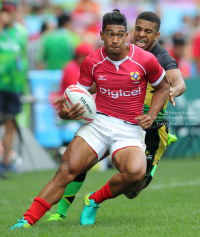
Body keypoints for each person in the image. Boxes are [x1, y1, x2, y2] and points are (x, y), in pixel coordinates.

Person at [10, 9, 169, 229]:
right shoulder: (92, 61)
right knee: (66, 170)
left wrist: (151, 115)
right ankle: (26, 221)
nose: (115, 40)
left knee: (136, 173)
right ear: (102, 34)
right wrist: (65, 112)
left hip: (129, 128)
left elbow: (163, 87)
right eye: (110, 34)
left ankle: (93, 199)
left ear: (126, 35)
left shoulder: (145, 60)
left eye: (120, 34)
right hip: (98, 123)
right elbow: (75, 97)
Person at [45, 11, 186, 222]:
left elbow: (178, 81)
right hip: (113, 121)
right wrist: (78, 94)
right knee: (80, 163)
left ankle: (151, 166)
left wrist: (173, 91)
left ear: (156, 36)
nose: (141, 35)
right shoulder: (120, 51)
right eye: (138, 29)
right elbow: (99, 80)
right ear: (131, 30)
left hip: (150, 128)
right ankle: (61, 212)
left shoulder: (160, 57)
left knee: (133, 189)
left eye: (148, 32)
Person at [0, 1, 28, 177]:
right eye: (4, 11)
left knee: (10, 123)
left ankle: (6, 162)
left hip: (15, 85)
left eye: (10, 12)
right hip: (0, 84)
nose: (7, 15)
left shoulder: (21, 32)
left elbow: (23, 57)